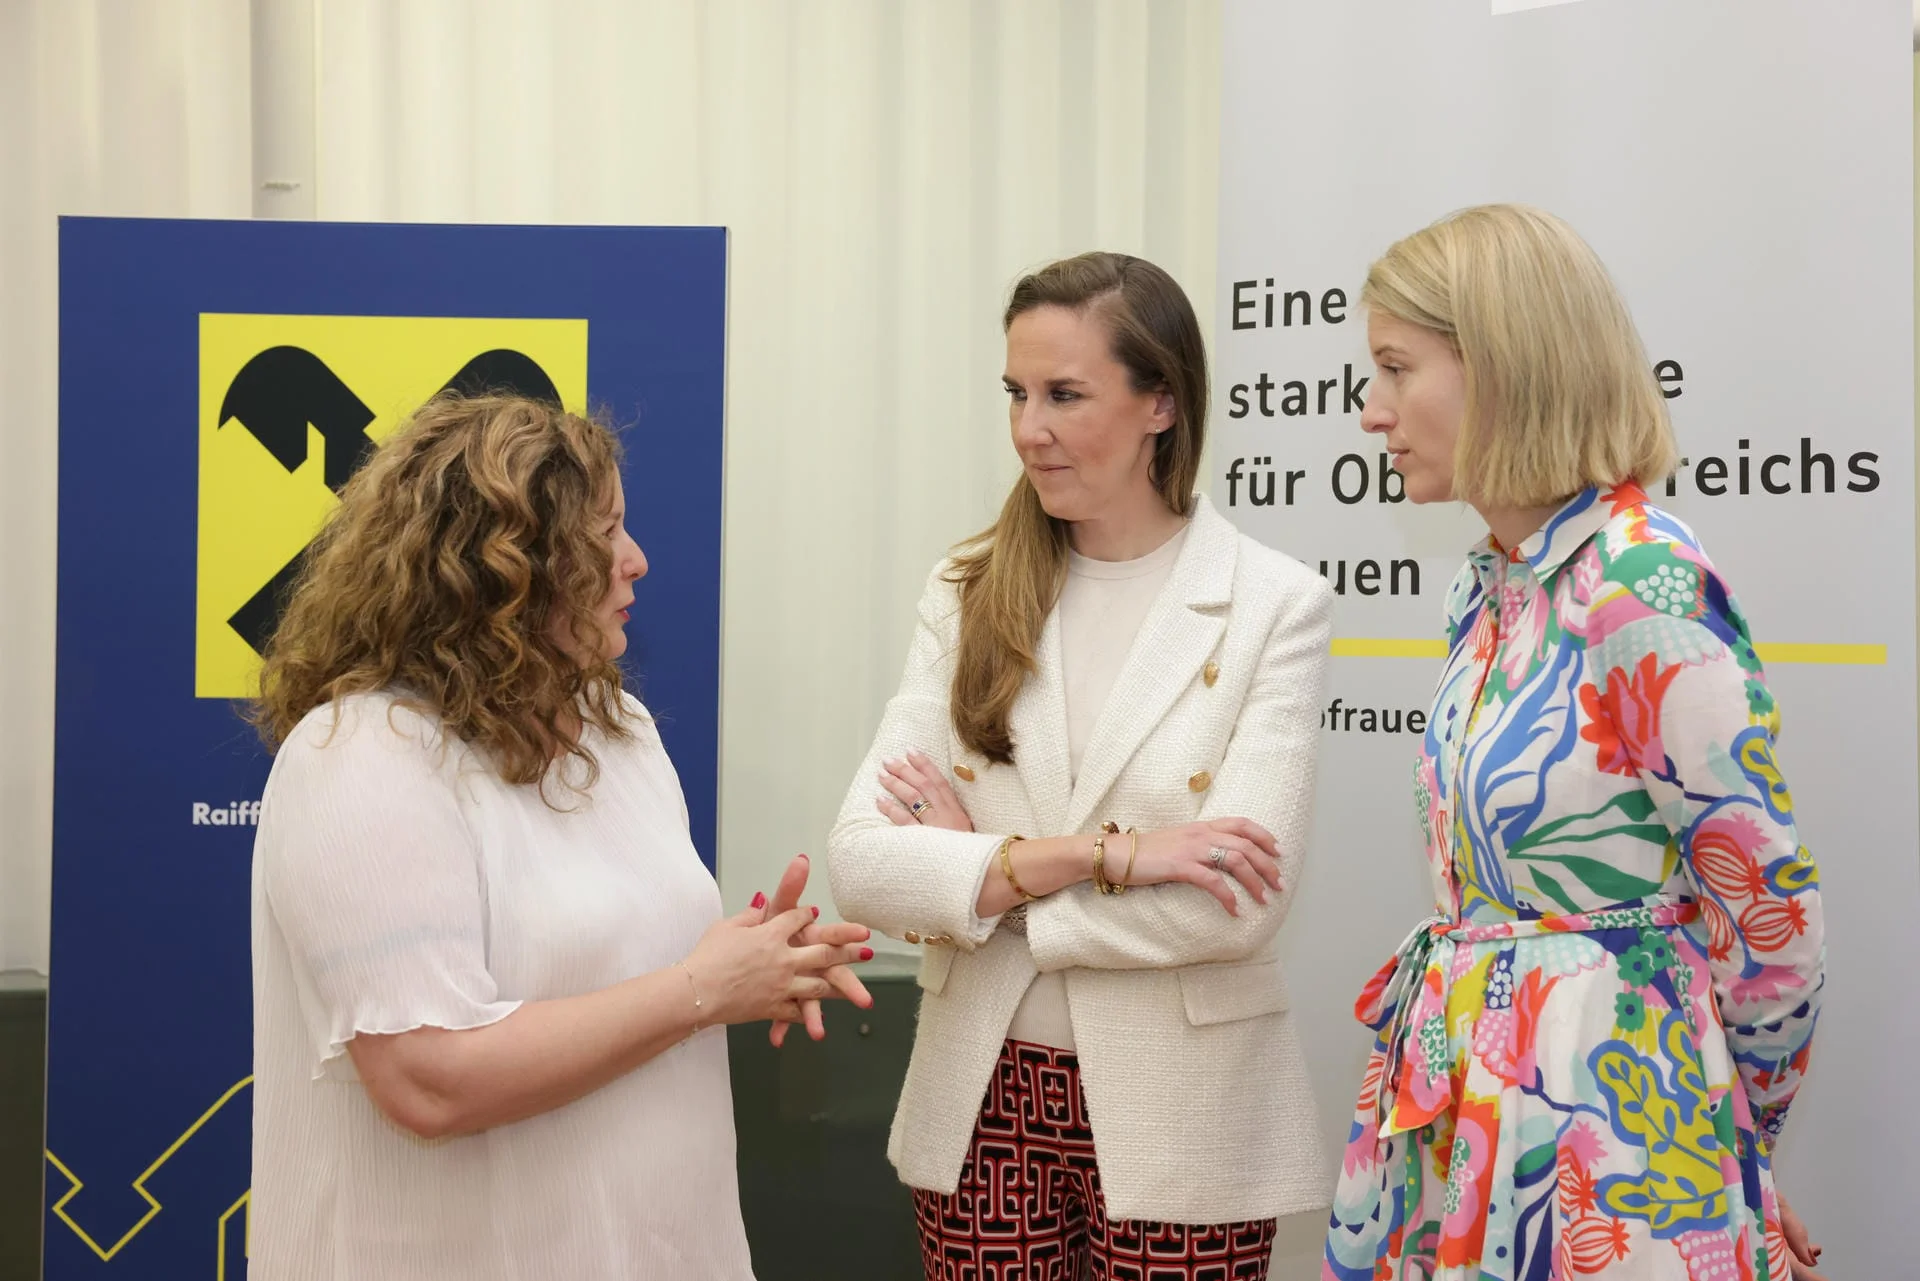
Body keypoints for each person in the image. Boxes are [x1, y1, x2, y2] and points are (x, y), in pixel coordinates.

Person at [246, 394, 871, 1281]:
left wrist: (757, 964)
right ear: (502, 568)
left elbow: (630, 979)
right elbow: (428, 1078)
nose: (636, 559)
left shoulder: (619, 730)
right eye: (604, 533)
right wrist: (702, 988)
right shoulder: (359, 757)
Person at [1322, 205, 1827, 1281]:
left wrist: (1725, 1142)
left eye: (1396, 369)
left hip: (1617, 1139)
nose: (1372, 412)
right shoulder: (1486, 588)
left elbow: (1770, 917)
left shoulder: (1642, 579)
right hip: (1484, 1124)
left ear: (1503, 366)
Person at [826, 252, 1335, 1281]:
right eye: (1016, 394)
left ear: (1161, 404)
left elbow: (1234, 905)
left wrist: (988, 878)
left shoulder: (1274, 603)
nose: (1029, 429)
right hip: (980, 1103)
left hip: (1186, 1111)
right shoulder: (967, 589)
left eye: (1064, 394)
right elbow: (863, 865)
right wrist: (1111, 856)